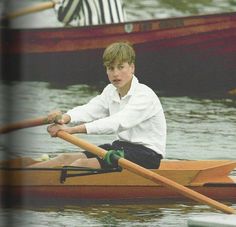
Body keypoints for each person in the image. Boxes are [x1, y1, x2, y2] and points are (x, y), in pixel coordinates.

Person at [30, 42, 166, 169]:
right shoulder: (110, 91)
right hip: (121, 147)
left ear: (132, 68)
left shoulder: (144, 95)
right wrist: (64, 118)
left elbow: (116, 122)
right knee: (64, 158)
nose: (115, 73)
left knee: (80, 165)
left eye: (121, 67)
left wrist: (72, 130)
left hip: (147, 156)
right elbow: (90, 110)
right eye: (111, 68)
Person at [54, 0, 126, 26]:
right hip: (121, 35)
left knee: (67, 25)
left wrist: (56, 4)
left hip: (96, 37)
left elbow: (63, 17)